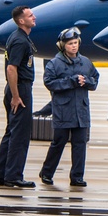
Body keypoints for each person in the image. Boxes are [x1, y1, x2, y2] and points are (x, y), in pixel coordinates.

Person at [38, 28, 99, 187]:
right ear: (62, 45)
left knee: (80, 144)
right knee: (59, 142)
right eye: (70, 43)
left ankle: (77, 177)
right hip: (63, 111)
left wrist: (86, 81)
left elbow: (95, 80)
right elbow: (49, 82)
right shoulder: (55, 63)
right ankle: (47, 172)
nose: (73, 46)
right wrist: (70, 81)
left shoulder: (85, 62)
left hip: (81, 111)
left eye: (75, 43)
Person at [0, 6, 38, 187]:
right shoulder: (20, 41)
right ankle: (13, 176)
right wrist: (16, 96)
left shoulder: (18, 37)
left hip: (16, 88)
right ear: (21, 21)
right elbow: (11, 68)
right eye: (30, 15)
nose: (34, 17)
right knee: (20, 135)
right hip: (20, 89)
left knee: (11, 132)